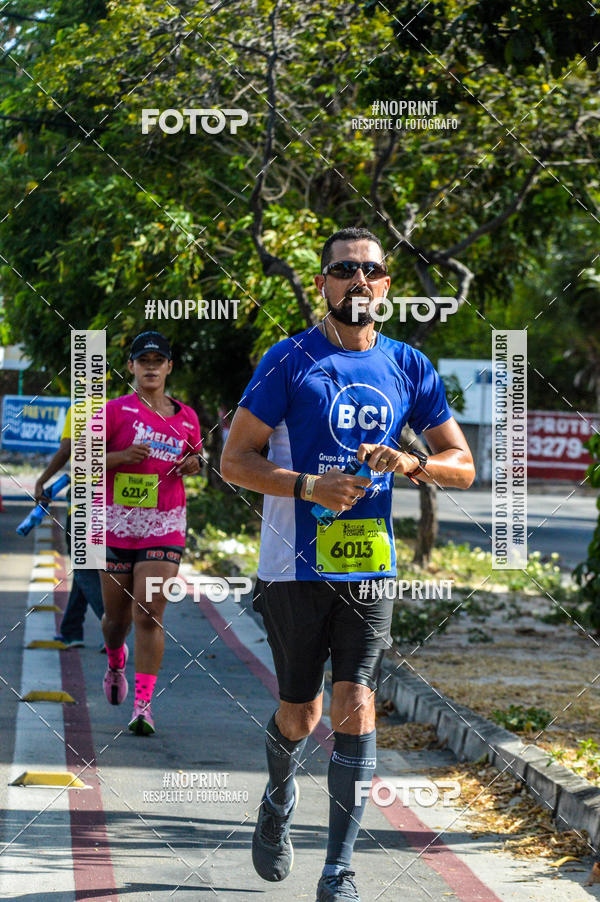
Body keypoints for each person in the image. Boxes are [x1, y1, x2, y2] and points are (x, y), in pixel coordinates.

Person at [220, 227, 475, 902]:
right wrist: (309, 486)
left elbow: (463, 465)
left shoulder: (409, 365)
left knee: (355, 705)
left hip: (369, 567)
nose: (358, 280)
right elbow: (234, 461)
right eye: (344, 271)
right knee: (300, 715)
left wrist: (412, 462)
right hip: (292, 568)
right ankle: (278, 796)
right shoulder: (288, 360)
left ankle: (339, 870)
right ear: (323, 284)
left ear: (386, 286)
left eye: (371, 270)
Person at [99, 331, 202, 735]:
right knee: (115, 620)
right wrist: (121, 457)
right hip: (116, 525)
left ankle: (143, 706)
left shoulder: (187, 417)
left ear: (169, 367)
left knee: (148, 610)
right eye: (144, 361)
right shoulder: (113, 411)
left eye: (159, 361)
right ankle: (115, 659)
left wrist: (194, 464)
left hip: (165, 525)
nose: (151, 368)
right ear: (131, 367)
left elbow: (196, 457)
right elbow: (83, 463)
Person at [35, 404, 104, 647]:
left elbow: (66, 449)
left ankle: (112, 627)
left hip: (84, 498)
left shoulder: (81, 409)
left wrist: (42, 480)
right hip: (113, 498)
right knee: (87, 565)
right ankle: (71, 630)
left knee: (83, 565)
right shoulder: (120, 409)